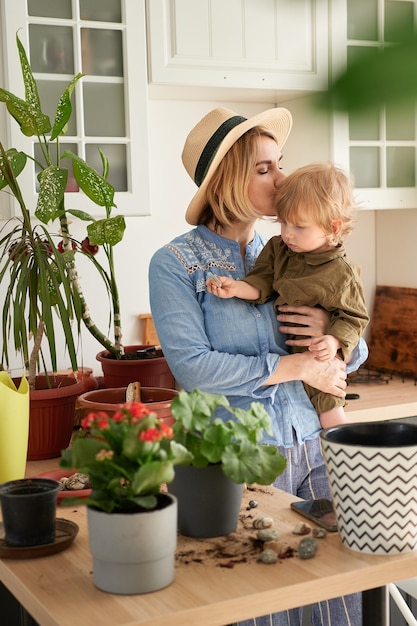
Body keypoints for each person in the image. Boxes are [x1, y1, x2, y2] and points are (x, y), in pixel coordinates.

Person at [149, 107, 368, 626]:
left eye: (281, 162)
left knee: (340, 601)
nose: (283, 177)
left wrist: (327, 336)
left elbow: (354, 344)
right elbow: (195, 369)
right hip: (240, 462)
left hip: (319, 448)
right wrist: (298, 366)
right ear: (226, 180)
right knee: (260, 601)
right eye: (264, 168)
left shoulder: (297, 244)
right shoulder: (176, 263)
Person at [207, 161, 369, 429]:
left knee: (330, 411)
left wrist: (334, 340)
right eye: (283, 223)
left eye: (299, 227)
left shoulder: (342, 274)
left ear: (333, 228)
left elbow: (354, 318)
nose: (287, 234)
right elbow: (262, 281)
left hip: (318, 351)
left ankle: (339, 428)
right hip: (286, 365)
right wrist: (236, 288)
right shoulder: (278, 249)